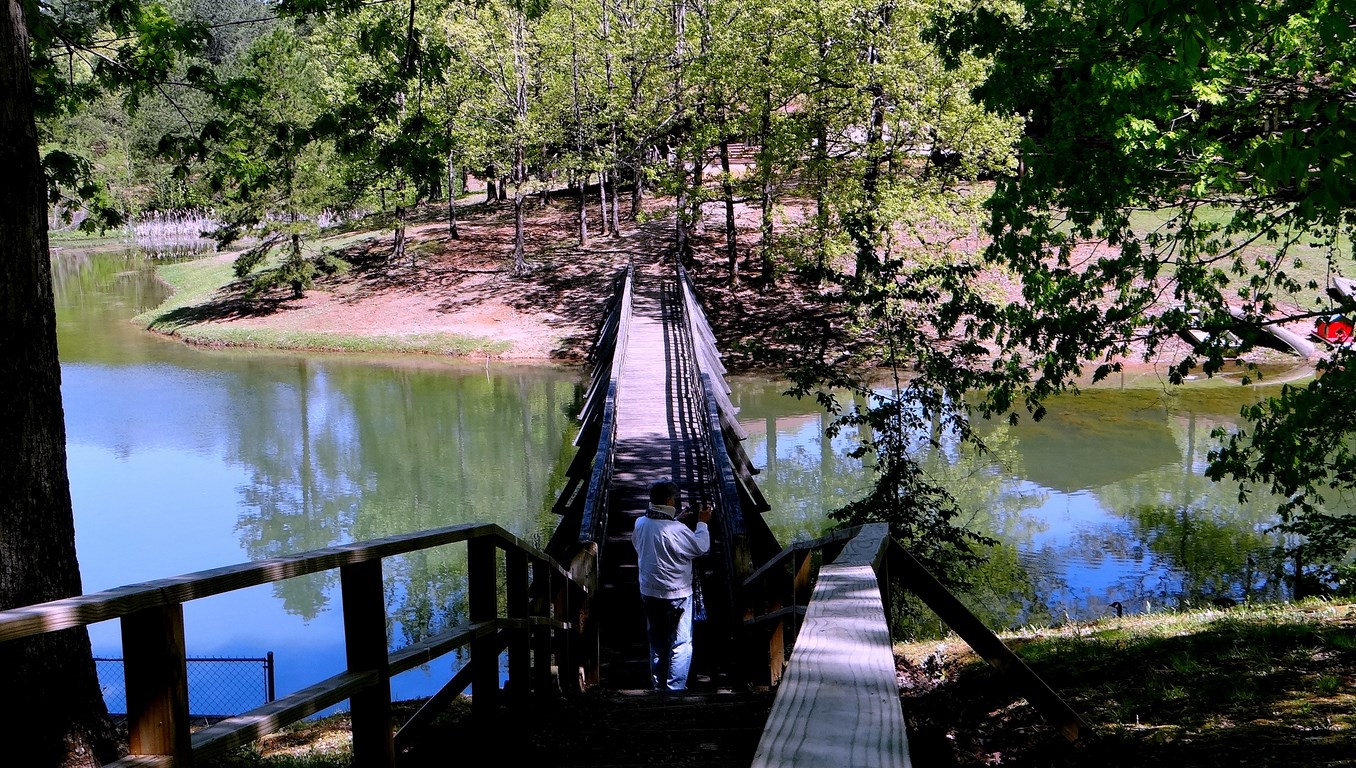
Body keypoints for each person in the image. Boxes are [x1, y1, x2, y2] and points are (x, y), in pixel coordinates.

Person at [632, 479, 713, 691]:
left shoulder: (640, 523)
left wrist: (677, 519)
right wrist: (702, 523)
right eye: (674, 499)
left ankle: (659, 686)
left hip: (649, 591)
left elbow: (649, 539)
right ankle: (675, 688)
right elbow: (700, 547)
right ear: (669, 500)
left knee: (657, 641)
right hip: (678, 593)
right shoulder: (677, 530)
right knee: (681, 642)